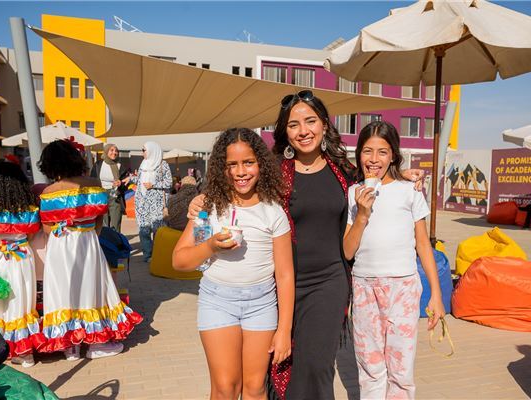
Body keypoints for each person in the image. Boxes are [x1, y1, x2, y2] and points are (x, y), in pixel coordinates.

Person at [188, 91, 424, 399]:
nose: (303, 131)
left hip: (328, 283)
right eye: (293, 124)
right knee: (280, 365)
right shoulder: (272, 172)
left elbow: (374, 176)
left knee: (316, 365)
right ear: (285, 132)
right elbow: (236, 184)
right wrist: (200, 199)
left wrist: (401, 175)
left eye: (310, 121)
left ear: (324, 124)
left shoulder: (342, 170)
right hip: (277, 285)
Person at [173, 128, 294, 400]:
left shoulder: (273, 212)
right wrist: (210, 246)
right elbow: (179, 260)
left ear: (261, 164)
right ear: (221, 168)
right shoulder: (208, 208)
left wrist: (284, 330)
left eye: (248, 162)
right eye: (232, 164)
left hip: (262, 305)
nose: (241, 172)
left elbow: (285, 275)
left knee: (255, 388)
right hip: (217, 302)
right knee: (225, 387)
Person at [343, 121, 445, 399]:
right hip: (364, 288)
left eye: (382, 152)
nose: (374, 159)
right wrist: (362, 213)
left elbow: (423, 245)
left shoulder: (409, 190)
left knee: (401, 370)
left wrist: (436, 295)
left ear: (393, 156)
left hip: (403, 289)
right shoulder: (353, 193)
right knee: (370, 368)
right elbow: (348, 252)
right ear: (358, 155)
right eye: (367, 151)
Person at [37, 139, 142, 360]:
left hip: (60, 244)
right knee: (91, 288)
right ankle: (96, 344)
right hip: (87, 240)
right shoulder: (94, 184)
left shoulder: (49, 191)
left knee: (64, 289)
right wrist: (87, 234)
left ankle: (70, 347)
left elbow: (47, 228)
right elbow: (99, 220)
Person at [0, 162, 44, 367]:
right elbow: (31, 234)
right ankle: (24, 353)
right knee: (20, 303)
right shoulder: (29, 209)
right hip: (21, 257)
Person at [127, 141, 172, 263]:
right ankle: (147, 255)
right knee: (143, 230)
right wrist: (130, 179)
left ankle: (157, 255)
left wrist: (153, 185)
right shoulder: (143, 163)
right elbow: (140, 180)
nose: (142, 153)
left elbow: (169, 182)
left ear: (152, 150)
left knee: (157, 231)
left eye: (144, 150)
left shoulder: (163, 165)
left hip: (157, 204)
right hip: (141, 202)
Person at [91, 143, 126, 232]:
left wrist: (121, 183)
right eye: (112, 150)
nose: (114, 153)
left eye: (116, 151)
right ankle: (105, 240)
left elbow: (125, 182)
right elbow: (92, 179)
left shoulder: (120, 165)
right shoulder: (98, 164)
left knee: (116, 222)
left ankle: (115, 239)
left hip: (115, 195)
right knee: (103, 223)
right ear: (106, 151)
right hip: (101, 194)